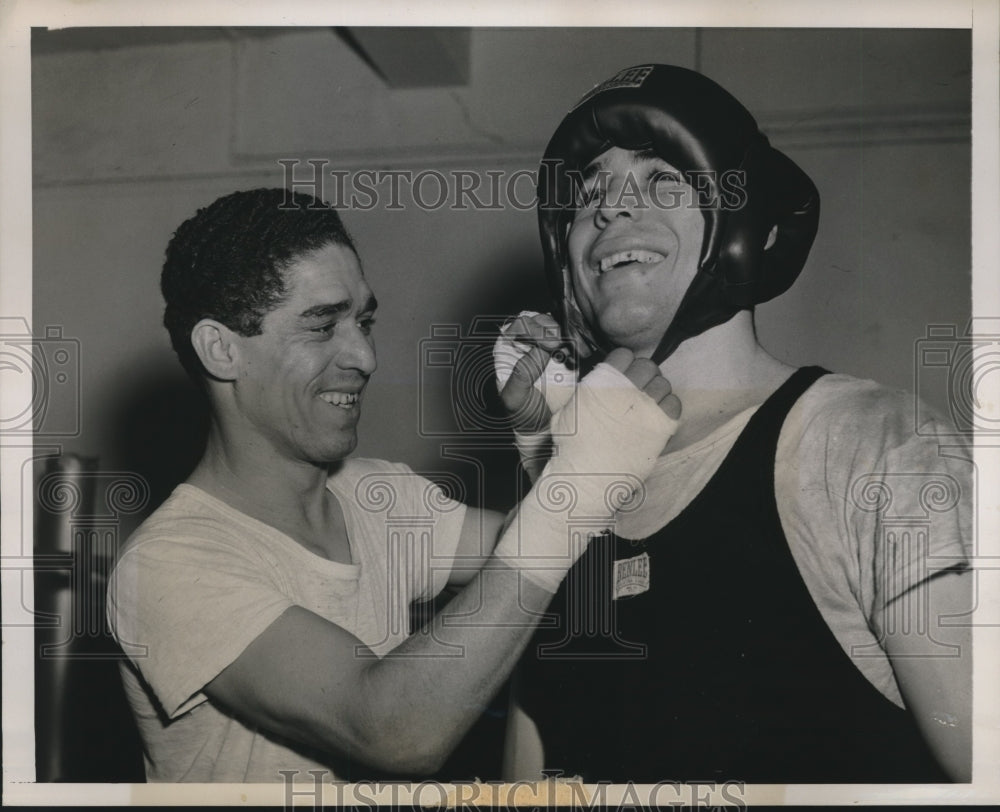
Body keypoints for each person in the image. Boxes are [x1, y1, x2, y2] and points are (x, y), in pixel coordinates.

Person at [105, 188, 683, 782]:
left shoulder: (374, 495)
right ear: (221, 349)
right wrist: (578, 483)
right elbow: (390, 730)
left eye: (364, 320)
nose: (364, 356)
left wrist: (544, 444)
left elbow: (552, 562)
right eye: (322, 326)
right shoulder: (170, 563)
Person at [496, 65, 973, 783]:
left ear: (739, 223)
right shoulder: (560, 502)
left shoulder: (876, 446)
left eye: (661, 180)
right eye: (589, 192)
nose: (609, 211)